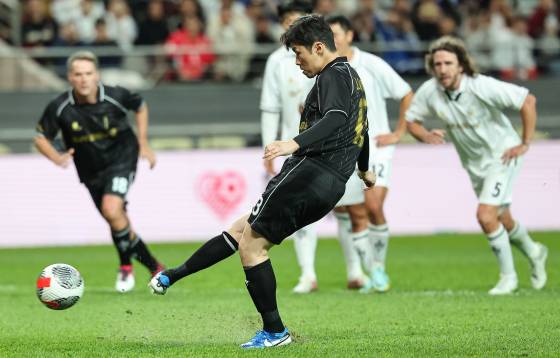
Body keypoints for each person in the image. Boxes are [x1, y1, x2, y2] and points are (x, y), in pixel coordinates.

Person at [149, 15, 376, 348]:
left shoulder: (332, 76)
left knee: (252, 246)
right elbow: (361, 128)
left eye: (299, 53)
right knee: (242, 229)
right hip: (328, 181)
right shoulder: (350, 77)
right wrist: (365, 169)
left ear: (317, 46)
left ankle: (274, 331)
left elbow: (337, 119)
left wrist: (292, 143)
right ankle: (173, 275)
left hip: (310, 172)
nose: (297, 62)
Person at [405, 36, 548, 295]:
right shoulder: (430, 91)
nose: (442, 69)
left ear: (461, 65)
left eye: (448, 63)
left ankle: (508, 278)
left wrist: (525, 142)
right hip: (474, 164)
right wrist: (424, 135)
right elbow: (411, 120)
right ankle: (535, 252)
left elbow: (528, 101)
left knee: (485, 215)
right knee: (502, 217)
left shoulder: (480, 86)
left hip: (502, 155)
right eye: (437, 64)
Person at [34, 51, 164, 293]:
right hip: (90, 171)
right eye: (78, 74)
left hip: (122, 159)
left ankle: (127, 266)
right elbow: (41, 137)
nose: (84, 79)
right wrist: (57, 157)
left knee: (111, 209)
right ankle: (153, 266)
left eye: (88, 73)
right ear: (70, 78)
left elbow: (140, 105)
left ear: (97, 76)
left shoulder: (115, 96)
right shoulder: (60, 107)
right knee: (117, 221)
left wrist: (144, 142)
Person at [326, 15, 414, 293]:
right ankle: (373, 272)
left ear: (350, 35)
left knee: (374, 205)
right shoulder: (325, 70)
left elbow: (406, 92)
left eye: (336, 33)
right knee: (354, 212)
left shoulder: (372, 64)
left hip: (377, 146)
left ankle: (378, 266)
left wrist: (399, 132)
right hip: (345, 149)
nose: (332, 39)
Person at [259, 0, 319, 294]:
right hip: (291, 146)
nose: (291, 25)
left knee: (350, 210)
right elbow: (269, 106)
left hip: (325, 143)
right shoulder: (276, 61)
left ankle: (359, 271)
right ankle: (308, 274)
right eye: (287, 21)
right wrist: (268, 147)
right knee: (300, 208)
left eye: (297, 20)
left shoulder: (324, 55)